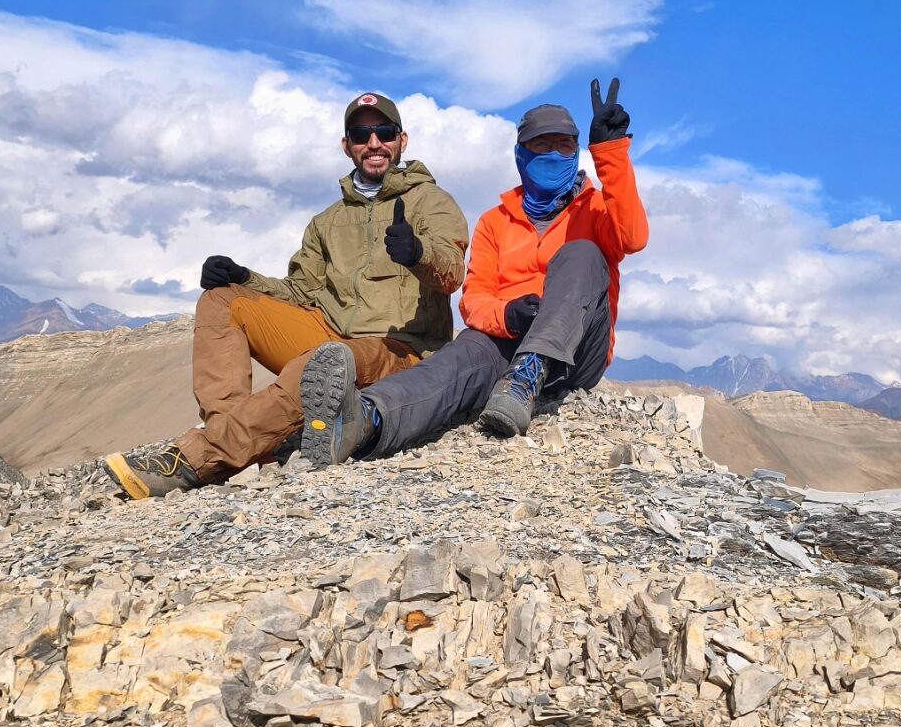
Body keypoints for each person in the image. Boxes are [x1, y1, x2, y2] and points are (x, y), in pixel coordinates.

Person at [101, 91, 469, 498]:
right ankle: (237, 445)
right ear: (346, 145)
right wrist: (244, 276)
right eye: (361, 135)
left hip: (400, 348)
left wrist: (418, 254)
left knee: (324, 361)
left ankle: (197, 458)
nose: (374, 143)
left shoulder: (431, 202)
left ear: (402, 140)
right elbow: (300, 291)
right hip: (330, 334)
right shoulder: (326, 222)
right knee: (223, 300)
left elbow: (452, 272)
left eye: (384, 132)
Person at [298, 77, 648, 464]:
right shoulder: (494, 222)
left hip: (577, 352)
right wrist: (507, 315)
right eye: (541, 145)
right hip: (507, 344)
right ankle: (364, 421)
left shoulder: (596, 209)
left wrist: (611, 153)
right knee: (455, 360)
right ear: (521, 154)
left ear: (576, 152)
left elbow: (632, 238)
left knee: (582, 252)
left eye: (563, 145)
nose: (552, 153)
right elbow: (474, 300)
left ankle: (530, 370)